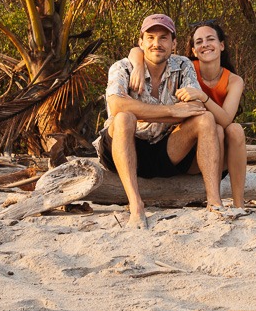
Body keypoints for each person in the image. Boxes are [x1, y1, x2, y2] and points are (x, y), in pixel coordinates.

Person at [94, 13, 224, 229]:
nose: (157, 43)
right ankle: (136, 206)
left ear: (174, 43)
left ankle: (214, 202)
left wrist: (152, 112)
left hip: (165, 148)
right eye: (151, 37)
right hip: (124, 144)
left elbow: (196, 107)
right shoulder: (123, 67)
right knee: (125, 117)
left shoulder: (182, 65)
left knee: (206, 118)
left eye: (164, 38)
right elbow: (117, 106)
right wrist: (172, 112)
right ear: (141, 42)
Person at [129, 20, 247, 210]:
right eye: (199, 42)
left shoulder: (234, 81)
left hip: (219, 145)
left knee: (234, 129)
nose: (205, 45)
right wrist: (138, 65)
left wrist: (203, 97)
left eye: (210, 39)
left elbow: (226, 120)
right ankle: (214, 197)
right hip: (189, 149)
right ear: (193, 50)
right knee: (213, 128)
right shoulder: (186, 67)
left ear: (221, 45)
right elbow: (137, 50)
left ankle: (239, 204)